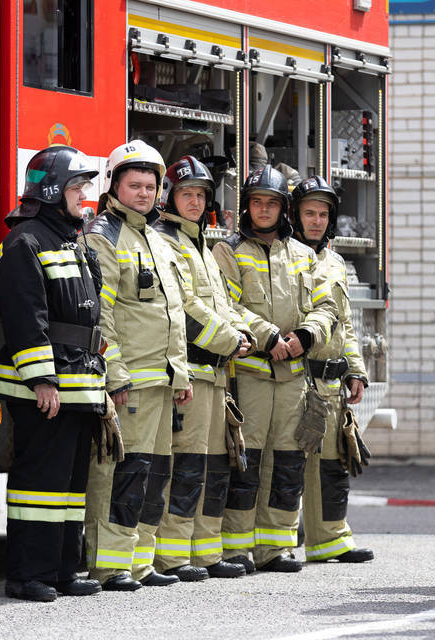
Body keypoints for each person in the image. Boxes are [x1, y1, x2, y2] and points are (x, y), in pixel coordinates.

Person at [0, 145, 107, 602]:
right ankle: (27, 576)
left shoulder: (70, 237)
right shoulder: (25, 241)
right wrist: (42, 380)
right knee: (38, 487)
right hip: (48, 387)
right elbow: (26, 317)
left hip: (79, 384)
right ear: (56, 189)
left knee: (69, 488)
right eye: (79, 187)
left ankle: (61, 570)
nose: (85, 196)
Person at [213, 165, 338, 573]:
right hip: (249, 372)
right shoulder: (229, 251)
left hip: (293, 377)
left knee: (287, 461)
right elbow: (227, 305)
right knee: (245, 460)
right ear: (246, 206)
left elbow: (326, 306)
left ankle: (275, 547)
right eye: (256, 202)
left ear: (283, 207)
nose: (264, 210)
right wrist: (269, 338)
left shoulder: (303, 255)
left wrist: (305, 336)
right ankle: (235, 548)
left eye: (271, 203)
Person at [83, 140, 192, 591]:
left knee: (154, 473)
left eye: (150, 185)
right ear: (115, 186)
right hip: (130, 381)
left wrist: (181, 373)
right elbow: (100, 315)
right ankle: (110, 564)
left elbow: (175, 312)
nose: (144, 193)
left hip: (163, 381)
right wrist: (114, 373)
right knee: (120, 473)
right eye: (135, 185)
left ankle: (140, 560)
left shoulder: (160, 239)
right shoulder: (102, 236)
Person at [151, 156, 256, 580]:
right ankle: (173, 555)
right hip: (190, 371)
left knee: (214, 465)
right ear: (169, 197)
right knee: (187, 465)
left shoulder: (201, 244)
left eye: (200, 195)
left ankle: (206, 552)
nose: (195, 201)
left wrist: (249, 333)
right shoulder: (165, 240)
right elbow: (185, 307)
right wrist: (232, 340)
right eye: (186, 194)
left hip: (215, 374)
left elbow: (223, 303)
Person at [291, 176, 374, 564]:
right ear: (295, 214)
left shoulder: (335, 261)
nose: (317, 220)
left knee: (332, 462)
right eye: (309, 212)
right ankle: (280, 541)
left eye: (324, 214)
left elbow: (347, 323)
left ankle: (331, 540)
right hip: (294, 376)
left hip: (330, 380)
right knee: (290, 461)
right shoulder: (282, 256)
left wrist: (355, 370)